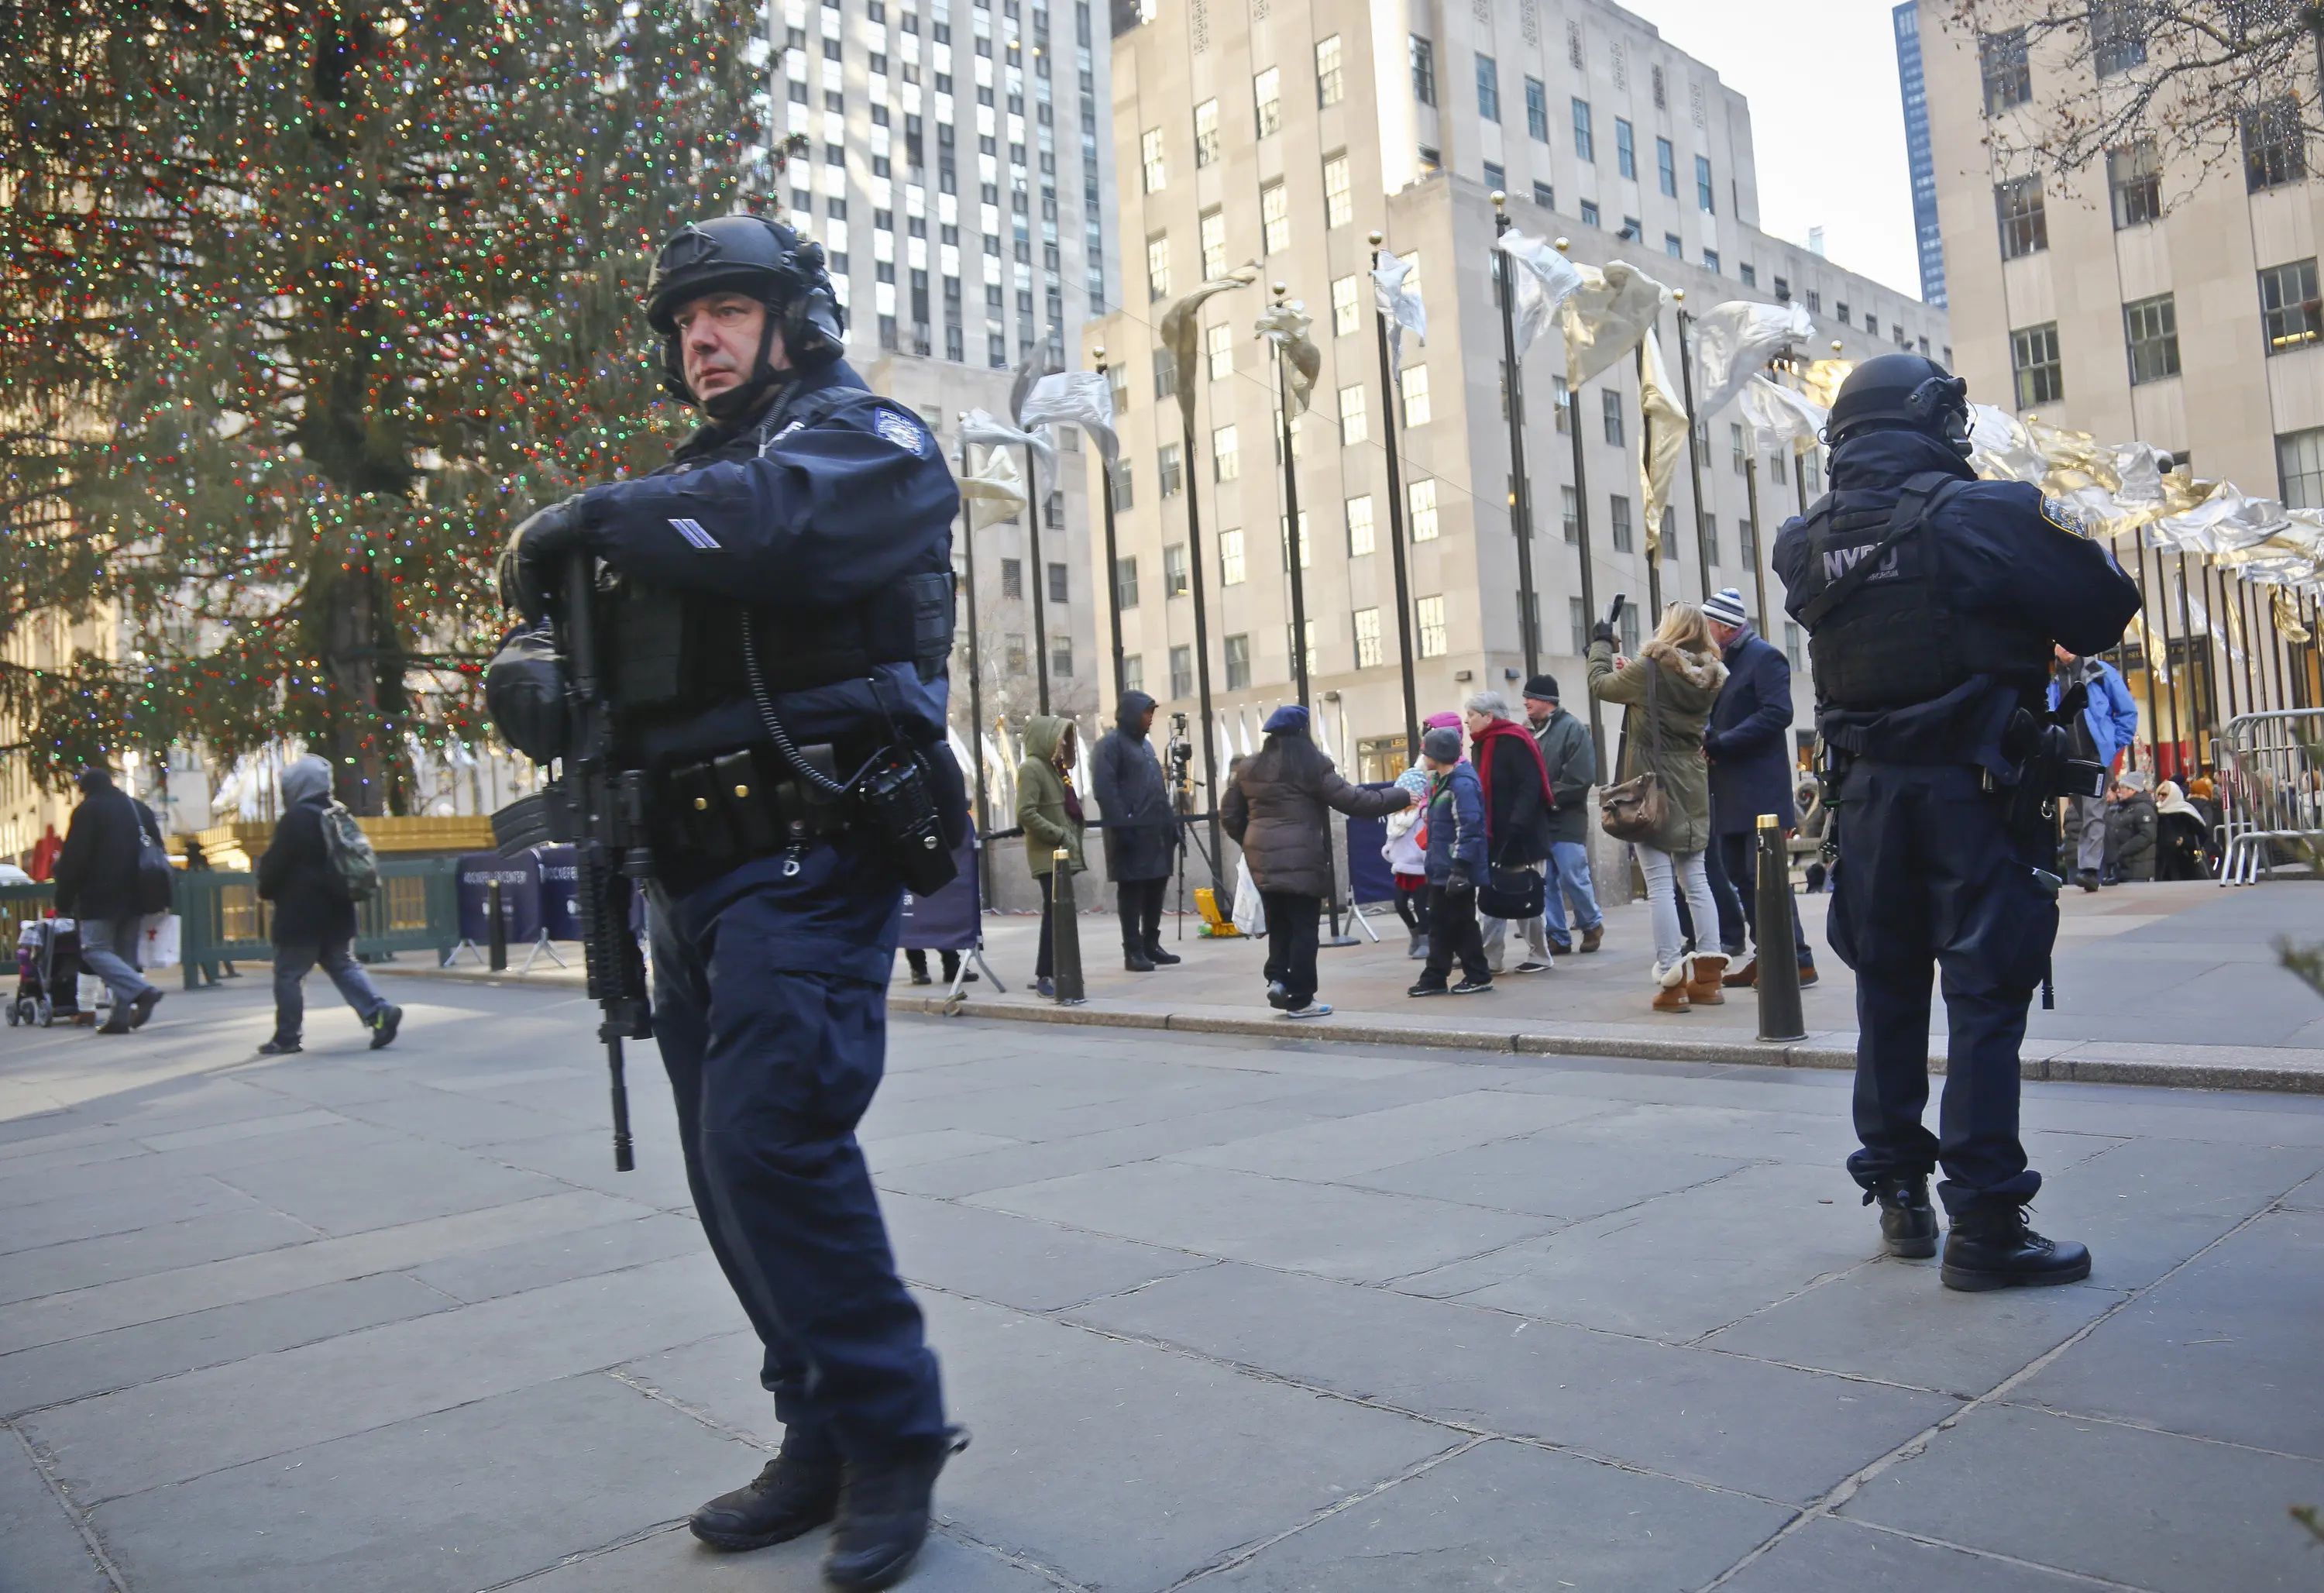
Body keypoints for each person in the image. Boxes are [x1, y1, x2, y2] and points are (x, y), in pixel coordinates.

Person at [493, 212, 964, 1588]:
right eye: (684, 322)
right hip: (684, 876)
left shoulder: (867, 444)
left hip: (810, 855)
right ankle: (818, 1431)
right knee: (726, 1173)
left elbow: (786, 526)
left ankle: (896, 1436)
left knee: (772, 1144)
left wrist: (586, 518)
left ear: (793, 318)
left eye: (727, 311)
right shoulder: (682, 490)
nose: (699, 338)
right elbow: (573, 634)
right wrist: (527, 660)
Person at [1774, 352, 2140, 1293]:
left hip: (1866, 801)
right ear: (1935, 421)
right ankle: (1984, 1217)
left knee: (1888, 987)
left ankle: (1900, 1193)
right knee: (1985, 994)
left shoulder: (1803, 538)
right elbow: (2103, 606)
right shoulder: (1983, 513)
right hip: (1975, 789)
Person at [1221, 704, 1408, 1019]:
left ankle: (1277, 978)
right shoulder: (1313, 766)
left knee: (1280, 923)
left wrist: (1254, 841)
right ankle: (1300, 998)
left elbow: (1230, 814)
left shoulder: (1249, 768)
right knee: (1305, 928)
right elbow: (1355, 801)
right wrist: (1401, 796)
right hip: (1303, 858)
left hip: (1261, 859)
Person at [1588, 603, 1730, 1013]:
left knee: (1660, 885)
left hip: (1653, 786)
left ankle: (1672, 979)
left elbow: (1601, 686)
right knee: (1697, 880)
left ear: (1668, 629)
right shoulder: (1711, 677)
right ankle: (1709, 980)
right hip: (1692, 783)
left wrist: (1600, 645)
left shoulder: (1650, 667)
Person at [1699, 587, 1818, 990]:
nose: (1704, 633)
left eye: (1707, 625)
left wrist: (1721, 741)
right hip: (1731, 789)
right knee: (1740, 873)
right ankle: (1767, 952)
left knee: (1763, 876)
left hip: (1759, 790)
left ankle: (1796, 958)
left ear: (1722, 626)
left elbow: (1777, 713)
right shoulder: (1723, 661)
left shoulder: (1764, 657)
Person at [253, 755, 402, 1055]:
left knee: (290, 974)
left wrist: (265, 888)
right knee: (343, 965)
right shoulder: (337, 814)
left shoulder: (296, 819)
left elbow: (275, 865)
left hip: (301, 917)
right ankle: (378, 1012)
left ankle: (287, 1036)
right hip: (338, 911)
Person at [50, 768, 165, 1035]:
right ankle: (120, 1017)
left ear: (86, 789)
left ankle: (141, 991)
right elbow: (158, 848)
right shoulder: (138, 809)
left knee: (94, 950)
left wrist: (64, 901)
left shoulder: (88, 811)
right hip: (139, 894)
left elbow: (74, 861)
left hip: (99, 895)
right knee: (125, 956)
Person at [1463, 692, 1555, 975]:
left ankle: (1540, 954)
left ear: (1489, 716)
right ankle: (1491, 959)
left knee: (1526, 896)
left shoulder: (1515, 740)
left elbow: (1531, 786)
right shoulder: (1481, 745)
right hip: (1494, 834)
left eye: (1472, 715)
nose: (1467, 722)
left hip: (1521, 835)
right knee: (1491, 899)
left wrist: (1516, 824)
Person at [1091, 690, 1180, 972]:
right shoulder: (1110, 745)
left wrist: (1170, 823)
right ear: (1131, 713)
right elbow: (1105, 790)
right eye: (1146, 712)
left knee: (1156, 885)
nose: (1150, 718)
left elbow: (1157, 789)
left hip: (1156, 830)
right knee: (1132, 890)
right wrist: (1123, 826)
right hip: (1131, 831)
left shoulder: (1146, 746)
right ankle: (1133, 949)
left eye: (1152, 712)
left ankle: (1150, 943)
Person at [1521, 676, 1604, 956]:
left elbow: (1580, 777)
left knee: (1572, 875)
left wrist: (1545, 797)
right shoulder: (1527, 732)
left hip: (1566, 817)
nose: (1526, 702)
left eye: (1531, 697)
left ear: (1548, 702)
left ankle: (1591, 923)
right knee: (1545, 882)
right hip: (1540, 820)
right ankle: (1557, 935)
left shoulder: (1573, 729)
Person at [1408, 724, 1492, 996]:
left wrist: (1461, 868)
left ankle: (1476, 974)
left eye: (1426, 750)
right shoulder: (1440, 781)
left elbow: (1470, 827)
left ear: (1438, 754)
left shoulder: (1461, 784)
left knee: (1461, 923)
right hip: (1443, 868)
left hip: (1456, 869)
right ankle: (1436, 975)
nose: (1423, 754)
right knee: (1442, 924)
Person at [2049, 646, 2140, 892]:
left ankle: (2089, 870)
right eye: (2060, 642)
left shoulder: (2100, 672)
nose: (2066, 647)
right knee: (2087, 812)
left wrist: (2113, 743)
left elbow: (2127, 710)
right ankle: (2113, 862)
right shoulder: (2049, 676)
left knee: (2092, 810)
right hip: (2066, 757)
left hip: (2096, 755)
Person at [1016, 714, 1088, 998]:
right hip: (1049, 853)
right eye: (1060, 739)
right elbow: (1025, 813)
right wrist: (1059, 835)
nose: (1064, 745)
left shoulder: (1055, 769)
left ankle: (1059, 971)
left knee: (1060, 913)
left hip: (1061, 852)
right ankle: (1046, 974)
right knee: (1054, 914)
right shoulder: (1032, 768)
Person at [1382, 764, 1434, 958]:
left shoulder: (1422, 816)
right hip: (1402, 867)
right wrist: (1388, 851)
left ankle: (1425, 940)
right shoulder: (1396, 817)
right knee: (1400, 904)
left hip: (1420, 868)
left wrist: (1425, 859)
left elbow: (1424, 840)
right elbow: (1392, 838)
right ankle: (1415, 934)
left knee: (1421, 905)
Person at [2103, 772, 2157, 883]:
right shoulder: (2123, 807)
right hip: (2123, 867)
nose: (2118, 790)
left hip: (2138, 869)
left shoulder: (2143, 808)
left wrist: (2122, 850)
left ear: (2133, 790)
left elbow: (2147, 835)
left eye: (2122, 787)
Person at [2154, 779, 2210, 879]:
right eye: (2159, 795)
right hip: (2161, 862)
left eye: (2164, 794)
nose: (2161, 798)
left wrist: (2184, 841)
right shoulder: (2156, 811)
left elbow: (2200, 835)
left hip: (2184, 860)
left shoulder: (2186, 812)